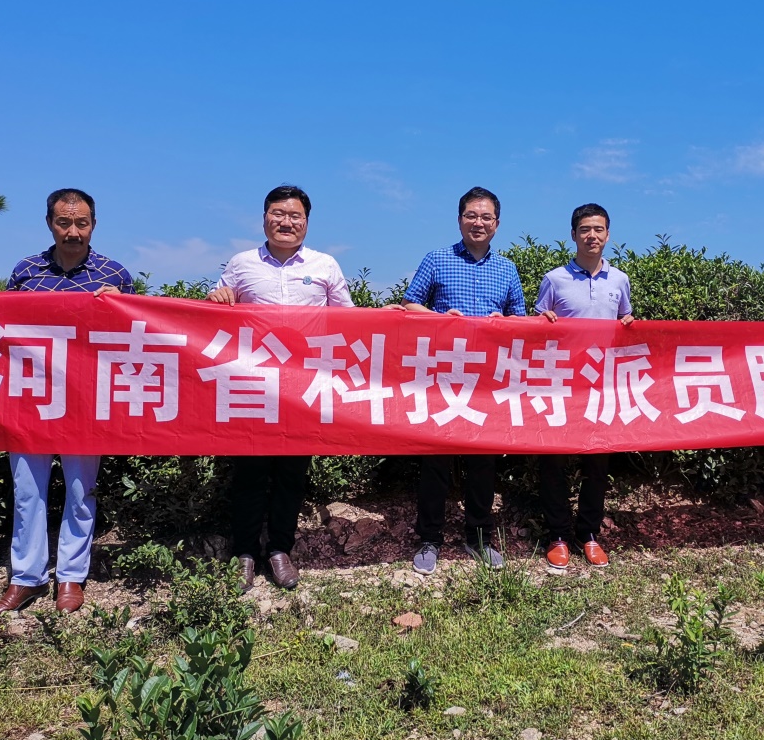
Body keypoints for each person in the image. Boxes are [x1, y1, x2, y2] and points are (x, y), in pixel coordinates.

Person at [0, 188, 135, 617]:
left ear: (94, 224)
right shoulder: (26, 271)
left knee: (80, 490)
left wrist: (121, 303)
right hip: (30, 400)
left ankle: (71, 576)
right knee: (28, 491)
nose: (73, 231)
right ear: (50, 223)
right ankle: (26, 578)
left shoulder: (115, 274)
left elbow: (137, 335)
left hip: (87, 403)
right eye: (64, 222)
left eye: (82, 223)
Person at [207, 184, 353, 591]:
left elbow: (350, 320)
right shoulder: (242, 263)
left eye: (295, 216)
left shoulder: (325, 265)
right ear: (264, 219)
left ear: (306, 222)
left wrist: (389, 320)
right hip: (252, 384)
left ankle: (280, 550)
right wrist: (217, 296)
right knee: (249, 472)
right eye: (278, 214)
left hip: (303, 386)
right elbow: (214, 309)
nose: (286, 222)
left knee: (292, 472)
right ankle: (244, 553)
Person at [387, 186, 526, 575]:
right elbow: (410, 304)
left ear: (497, 224)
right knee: (435, 461)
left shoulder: (507, 268)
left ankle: (478, 537)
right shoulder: (437, 259)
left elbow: (520, 320)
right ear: (460, 219)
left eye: (486, 217)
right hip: (443, 377)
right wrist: (438, 318)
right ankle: (429, 539)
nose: (478, 222)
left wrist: (505, 322)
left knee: (484, 461)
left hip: (487, 381)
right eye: (471, 215)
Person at [535, 203, 633, 568]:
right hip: (560, 386)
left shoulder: (619, 280)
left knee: (597, 464)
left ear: (608, 235)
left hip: (601, 387)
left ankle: (588, 534)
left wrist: (629, 322)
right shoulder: (554, 279)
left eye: (599, 229)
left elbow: (625, 320)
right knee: (553, 462)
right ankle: (557, 535)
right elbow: (535, 329)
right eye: (585, 229)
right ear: (573, 235)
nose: (592, 235)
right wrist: (542, 319)